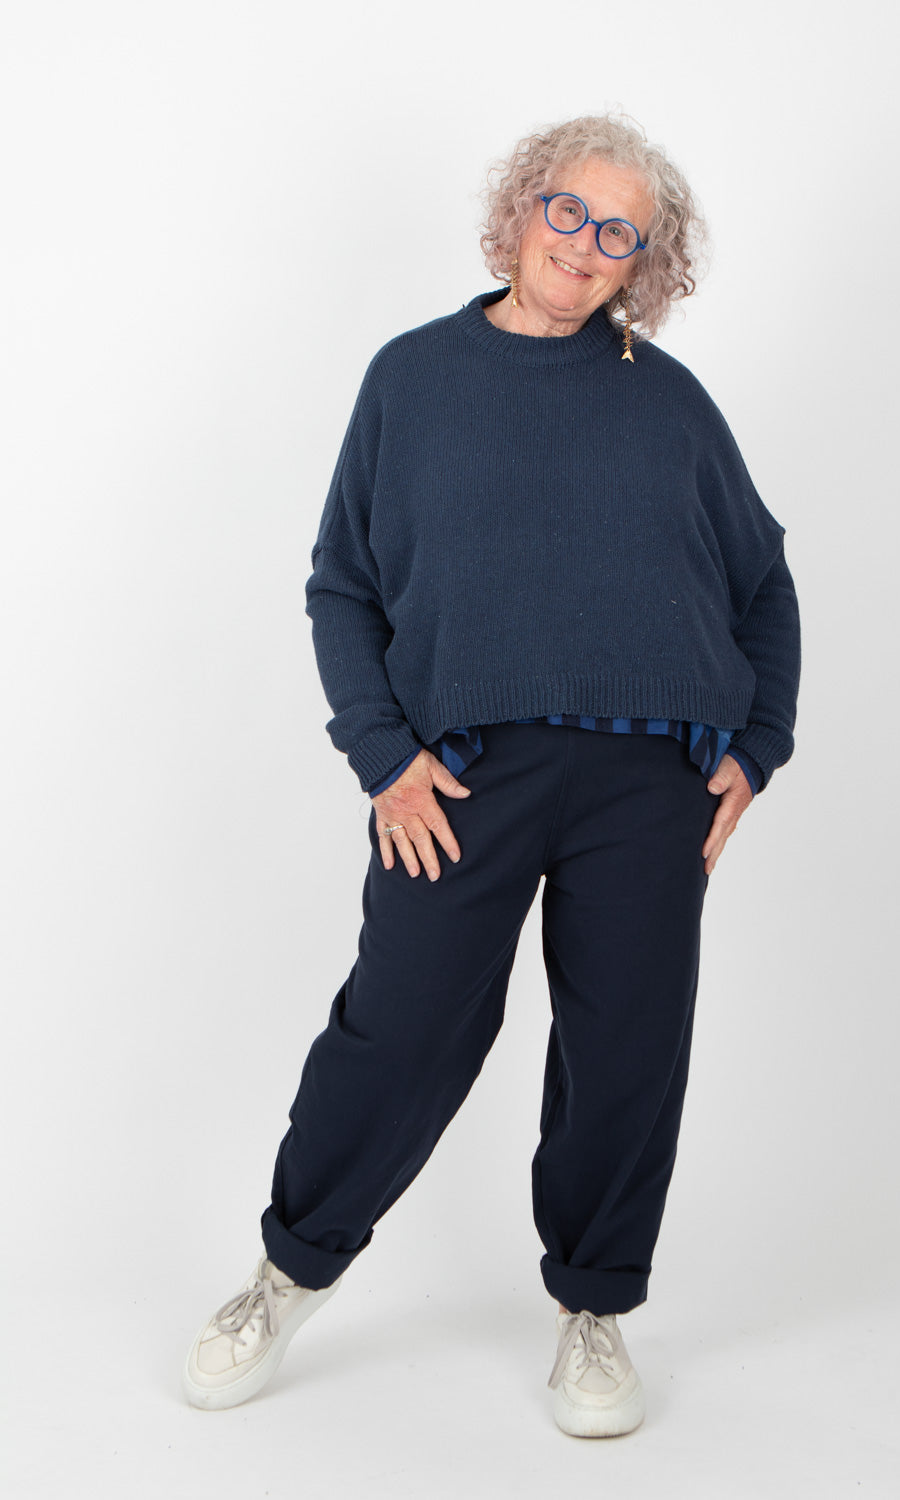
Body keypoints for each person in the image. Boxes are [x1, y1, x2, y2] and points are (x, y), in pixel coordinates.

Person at [183, 112, 801, 1438]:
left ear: (643, 262)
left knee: (627, 1044)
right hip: (458, 779)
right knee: (400, 1028)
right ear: (523, 210)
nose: (585, 244)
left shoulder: (670, 403)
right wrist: (382, 756)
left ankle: (594, 1306)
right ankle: (289, 1271)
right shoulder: (413, 379)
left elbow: (763, 583)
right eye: (568, 211)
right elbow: (343, 586)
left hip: (650, 785)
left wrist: (759, 746)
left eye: (619, 232)